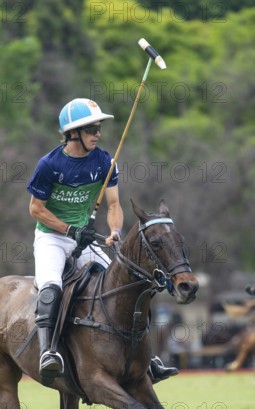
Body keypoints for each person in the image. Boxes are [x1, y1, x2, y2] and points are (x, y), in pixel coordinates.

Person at [27, 97, 178, 384]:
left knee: (126, 283)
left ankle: (147, 359)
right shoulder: (49, 165)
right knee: (51, 287)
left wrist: (116, 231)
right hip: (52, 239)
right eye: (91, 128)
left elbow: (114, 206)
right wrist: (69, 230)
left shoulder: (105, 162)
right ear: (73, 133)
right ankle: (48, 352)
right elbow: (35, 209)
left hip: (86, 239)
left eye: (98, 128)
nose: (98, 133)